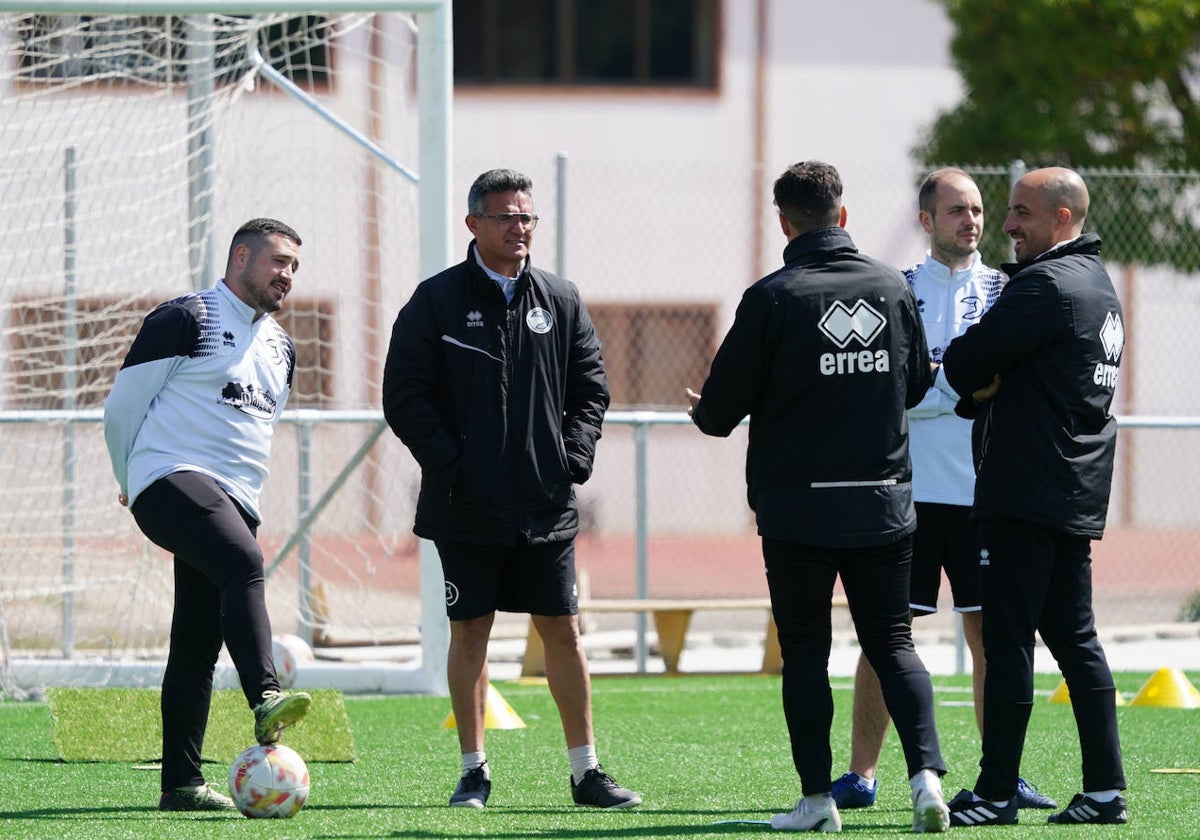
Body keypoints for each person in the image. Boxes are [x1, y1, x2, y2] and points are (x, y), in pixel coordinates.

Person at [686, 161, 949, 834]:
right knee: (893, 642)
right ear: (843, 214)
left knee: (806, 653)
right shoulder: (892, 287)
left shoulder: (773, 297)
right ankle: (925, 781)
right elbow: (918, 386)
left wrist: (709, 409)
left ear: (784, 221)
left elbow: (718, 414)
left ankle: (816, 801)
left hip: (798, 508)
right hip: (883, 501)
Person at [382, 168, 641, 811]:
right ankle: (474, 771)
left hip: (545, 502)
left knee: (564, 629)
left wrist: (573, 456)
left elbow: (591, 387)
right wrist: (453, 464)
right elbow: (404, 395)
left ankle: (587, 772)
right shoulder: (435, 300)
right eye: (505, 217)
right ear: (473, 224)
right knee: (469, 632)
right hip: (463, 504)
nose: (519, 228)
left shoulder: (561, 297)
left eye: (526, 217)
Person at [830, 169, 1055, 813]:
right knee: (886, 635)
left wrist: (937, 386)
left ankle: (998, 778)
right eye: (957, 210)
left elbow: (1004, 384)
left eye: (979, 210)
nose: (974, 221)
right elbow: (890, 391)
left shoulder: (1011, 290)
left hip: (989, 495)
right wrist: (961, 388)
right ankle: (861, 774)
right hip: (906, 495)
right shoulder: (893, 292)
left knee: (992, 636)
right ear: (926, 220)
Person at [103, 218, 313, 812]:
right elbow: (121, 410)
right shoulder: (185, 317)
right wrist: (130, 478)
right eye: (277, 261)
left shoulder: (281, 348)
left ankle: (181, 785)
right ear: (240, 256)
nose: (287, 275)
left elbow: (253, 438)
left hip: (233, 500)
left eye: (295, 267)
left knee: (196, 642)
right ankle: (267, 694)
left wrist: (245, 505)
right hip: (165, 476)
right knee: (245, 562)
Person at [941, 166, 1127, 827]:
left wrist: (987, 381)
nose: (1010, 225)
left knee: (1010, 639)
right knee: (1077, 642)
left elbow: (964, 361)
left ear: (1063, 218)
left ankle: (994, 794)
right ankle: (1105, 791)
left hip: (1023, 490)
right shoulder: (1100, 286)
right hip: (1073, 491)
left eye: (1022, 212)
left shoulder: (1044, 283)